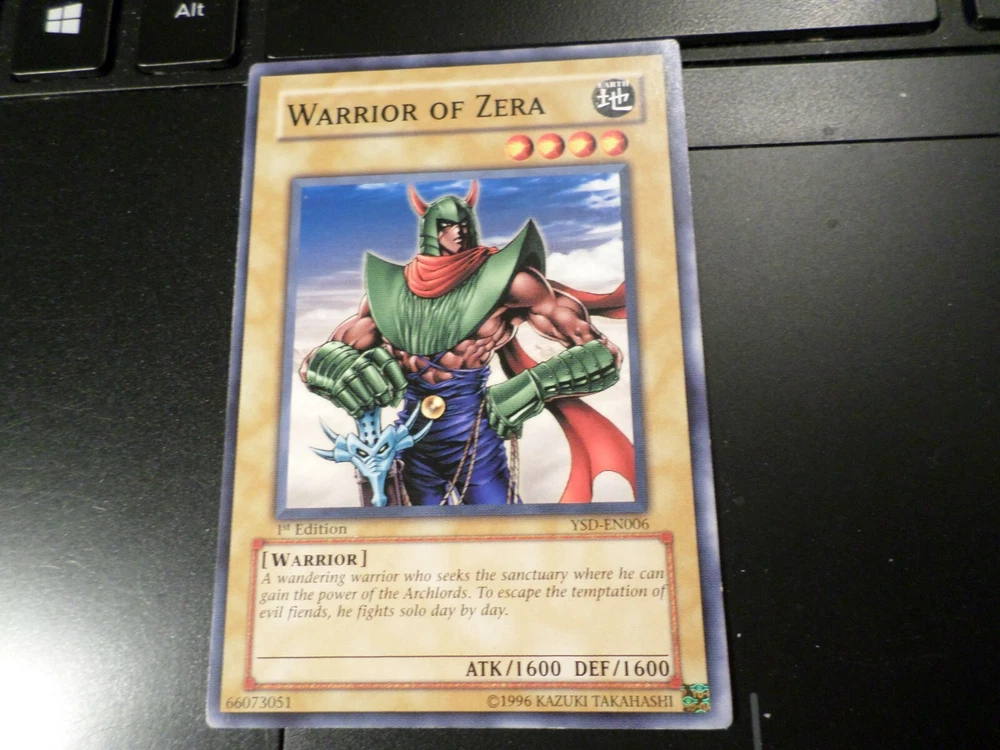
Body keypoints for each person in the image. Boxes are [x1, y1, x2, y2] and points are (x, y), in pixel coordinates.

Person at [300, 181, 628, 506]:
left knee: (500, 528)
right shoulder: (388, 293)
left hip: (474, 436)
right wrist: (338, 374)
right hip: (409, 439)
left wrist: (529, 389)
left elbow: (602, 355)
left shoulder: (508, 283)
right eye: (447, 226)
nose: (459, 232)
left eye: (464, 224)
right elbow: (322, 362)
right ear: (431, 231)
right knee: (414, 533)